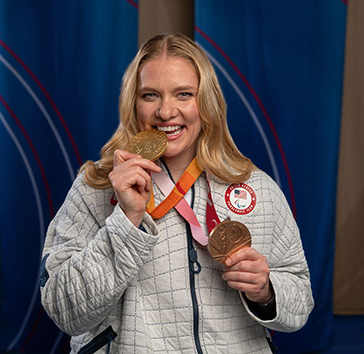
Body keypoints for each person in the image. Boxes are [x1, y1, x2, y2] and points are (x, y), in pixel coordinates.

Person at [40, 33, 313, 354]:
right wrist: (126, 221)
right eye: (150, 95)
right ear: (133, 103)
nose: (166, 112)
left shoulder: (256, 187)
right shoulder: (96, 186)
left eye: (184, 94)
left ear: (207, 102)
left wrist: (266, 291)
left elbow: (301, 299)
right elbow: (64, 312)